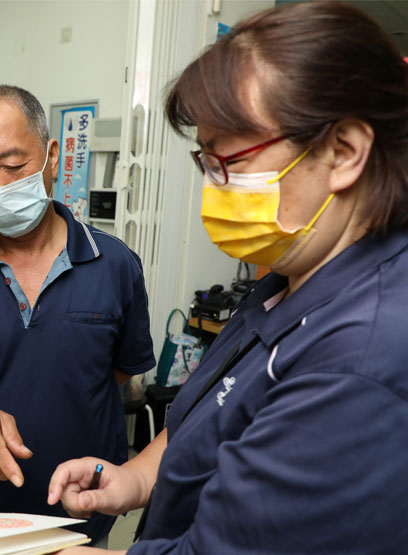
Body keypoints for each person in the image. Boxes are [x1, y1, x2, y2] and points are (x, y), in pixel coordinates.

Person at [47, 2, 408, 553]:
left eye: (230, 162)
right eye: (206, 163)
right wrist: (138, 477)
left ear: (344, 151)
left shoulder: (362, 359)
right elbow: (214, 407)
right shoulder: (289, 280)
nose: (214, 190)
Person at [0, 84, 155, 543]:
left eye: (12, 164)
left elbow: (119, 370)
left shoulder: (116, 264)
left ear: (51, 157)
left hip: (81, 513)